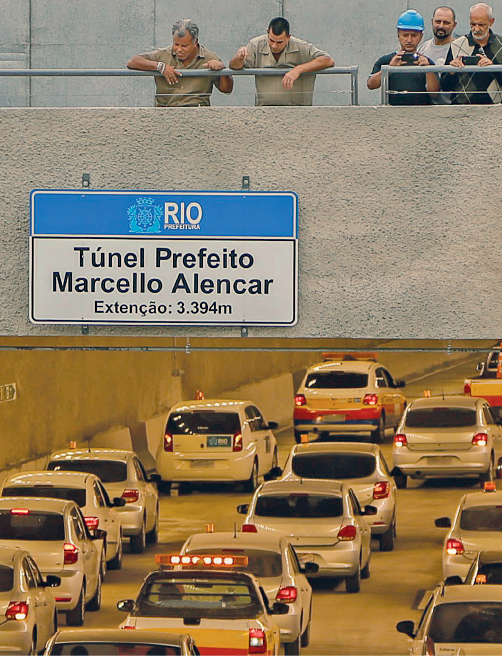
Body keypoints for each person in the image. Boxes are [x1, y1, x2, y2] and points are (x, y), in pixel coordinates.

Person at [229, 17, 334, 106]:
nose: (274, 46)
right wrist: (239, 57)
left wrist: (298, 70)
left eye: (279, 42)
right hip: (264, 110)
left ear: (288, 37)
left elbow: (328, 60)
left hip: (298, 110)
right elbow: (234, 66)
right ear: (267, 33)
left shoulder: (301, 46)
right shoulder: (256, 44)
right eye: (271, 40)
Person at [127, 19, 233, 107]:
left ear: (195, 42)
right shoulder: (163, 55)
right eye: (176, 44)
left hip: (197, 115)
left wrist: (221, 70)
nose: (179, 49)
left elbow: (227, 89)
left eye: (184, 46)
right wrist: (160, 67)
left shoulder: (210, 58)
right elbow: (132, 62)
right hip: (165, 114)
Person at [367, 9, 440, 105]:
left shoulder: (426, 62)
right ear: (398, 36)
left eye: (414, 35)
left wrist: (428, 70)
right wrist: (389, 69)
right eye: (405, 35)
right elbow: (371, 85)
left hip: (421, 114)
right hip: (393, 113)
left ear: (421, 36)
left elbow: (435, 93)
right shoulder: (387, 60)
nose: (409, 40)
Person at [441, 3, 502, 104]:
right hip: (461, 110)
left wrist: (494, 68)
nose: (476, 29)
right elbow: (444, 87)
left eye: (481, 25)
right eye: (473, 24)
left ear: (491, 22)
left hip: (495, 110)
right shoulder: (456, 45)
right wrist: (451, 72)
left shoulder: (500, 45)